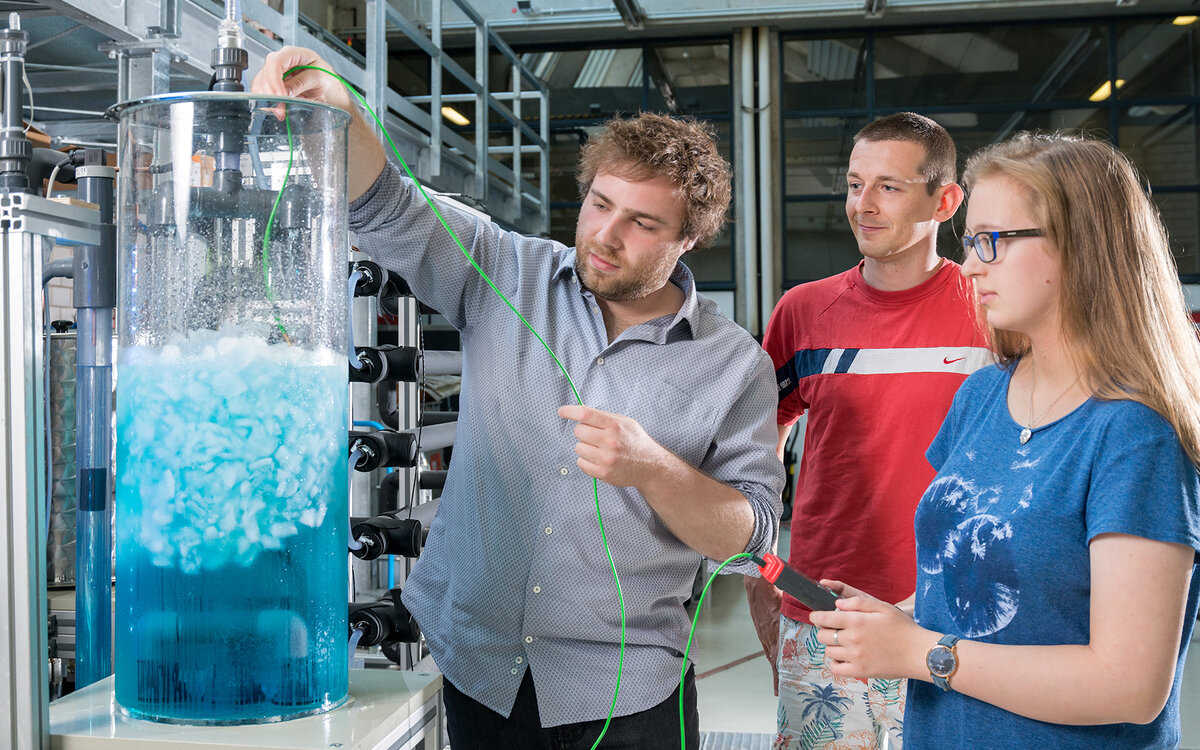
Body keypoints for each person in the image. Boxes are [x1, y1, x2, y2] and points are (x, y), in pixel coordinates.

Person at [252, 48, 785, 750]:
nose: (605, 236)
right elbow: (387, 203)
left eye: (642, 224)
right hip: (481, 673)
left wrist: (653, 467)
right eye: (600, 204)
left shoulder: (731, 363)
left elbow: (751, 532)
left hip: (626, 695)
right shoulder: (505, 270)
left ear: (688, 240)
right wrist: (337, 111)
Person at [809, 132, 1200, 749]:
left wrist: (923, 653)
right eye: (970, 241)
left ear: (1081, 248)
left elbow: (1129, 685)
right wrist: (897, 622)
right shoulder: (985, 395)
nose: (969, 265)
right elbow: (972, 587)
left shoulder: (1134, 433)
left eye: (993, 241)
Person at [744, 112, 992, 749]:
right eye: (855, 185)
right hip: (826, 609)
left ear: (945, 199)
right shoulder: (802, 311)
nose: (864, 205)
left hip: (958, 615)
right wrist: (760, 564)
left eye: (888, 186)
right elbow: (758, 435)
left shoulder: (989, 309)